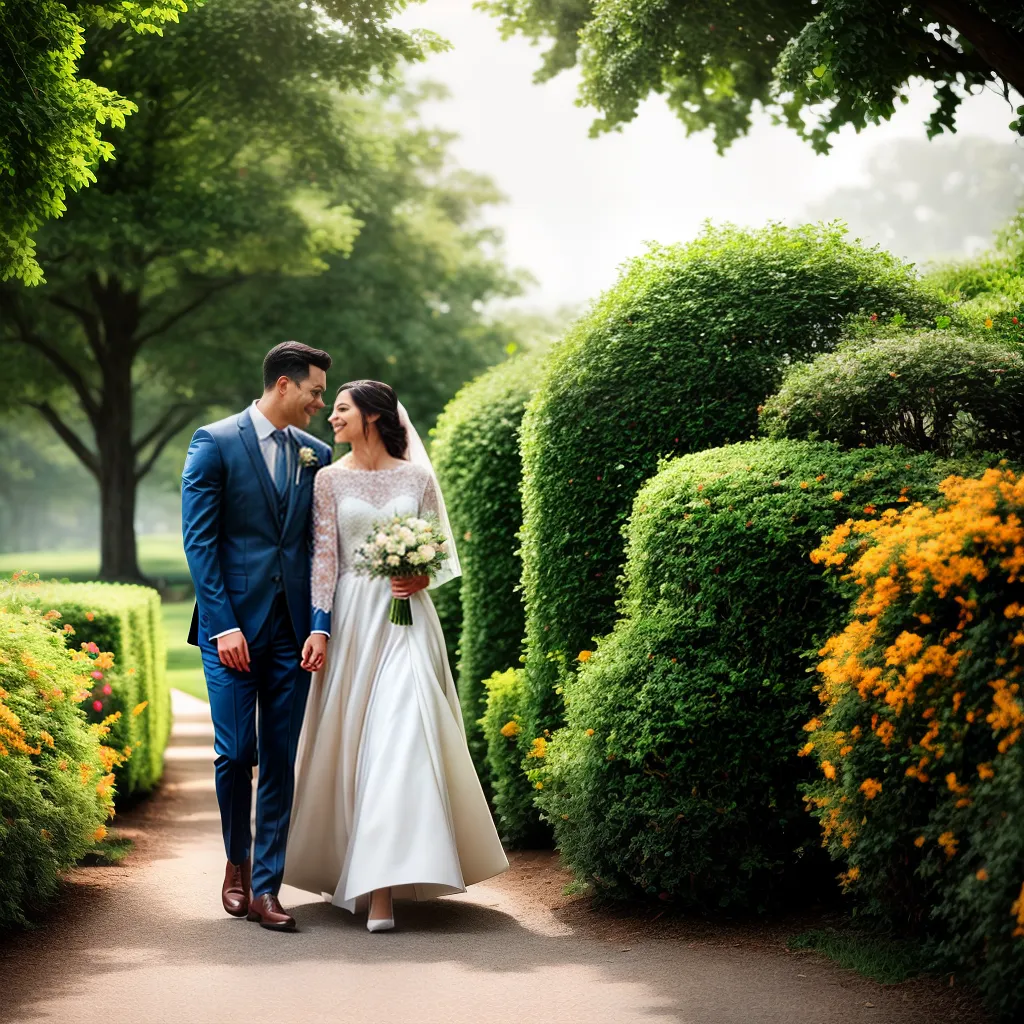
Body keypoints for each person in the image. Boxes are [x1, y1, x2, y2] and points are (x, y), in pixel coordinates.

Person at [285, 380, 508, 931]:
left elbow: (438, 552)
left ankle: (381, 890)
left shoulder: (417, 477)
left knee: (401, 736)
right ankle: (367, 874)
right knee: (360, 740)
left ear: (373, 417)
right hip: (354, 620)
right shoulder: (328, 479)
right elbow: (324, 561)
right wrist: (320, 629)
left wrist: (418, 573)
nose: (330, 416)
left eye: (341, 409)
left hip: (408, 623)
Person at [181, 341, 333, 932]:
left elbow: (322, 550)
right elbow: (200, 542)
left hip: (292, 634)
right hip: (231, 633)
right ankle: (235, 864)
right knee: (236, 751)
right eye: (316, 390)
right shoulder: (213, 443)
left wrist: (319, 625)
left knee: (278, 758)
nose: (321, 402)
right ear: (284, 386)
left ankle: (268, 887)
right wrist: (223, 625)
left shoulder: (315, 455)